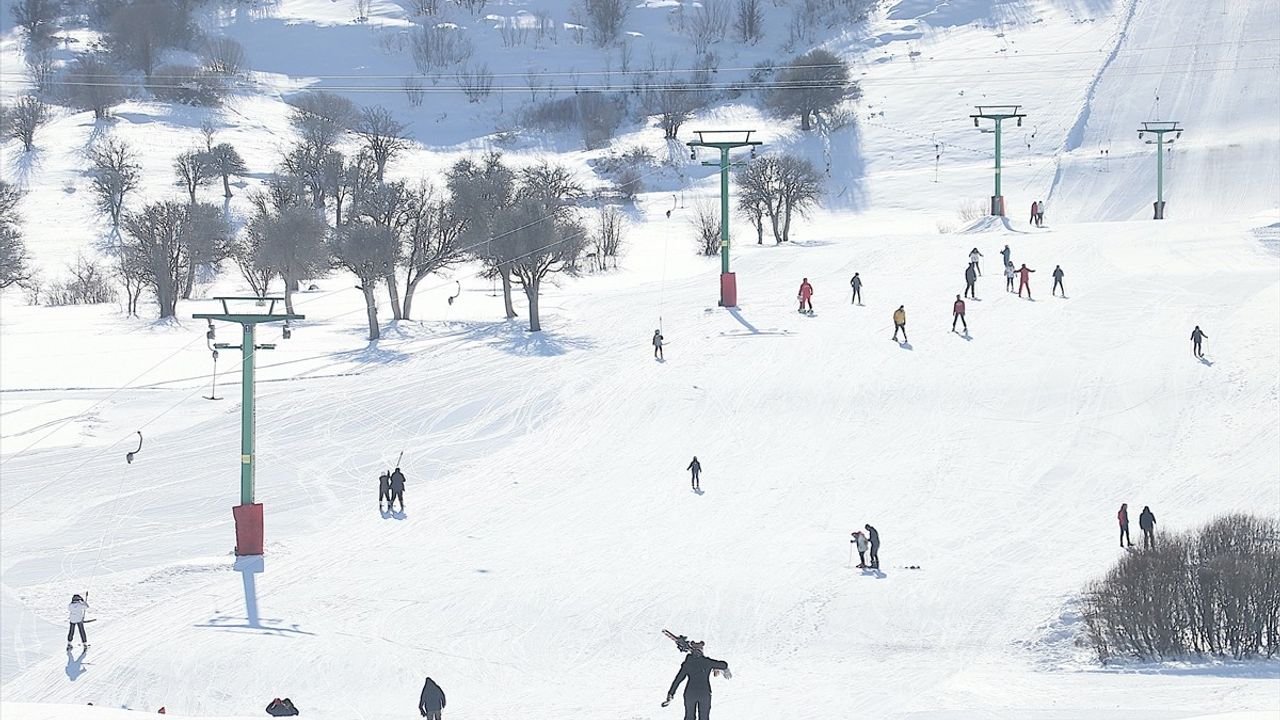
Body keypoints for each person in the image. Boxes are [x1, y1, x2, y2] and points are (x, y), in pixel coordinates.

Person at [663, 641, 729, 720]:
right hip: (704, 694)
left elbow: (678, 679)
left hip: (690, 693)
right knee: (704, 717)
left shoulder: (687, 663)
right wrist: (715, 667)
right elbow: (724, 664)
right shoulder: (707, 662)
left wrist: (671, 693)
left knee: (689, 717)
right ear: (702, 650)